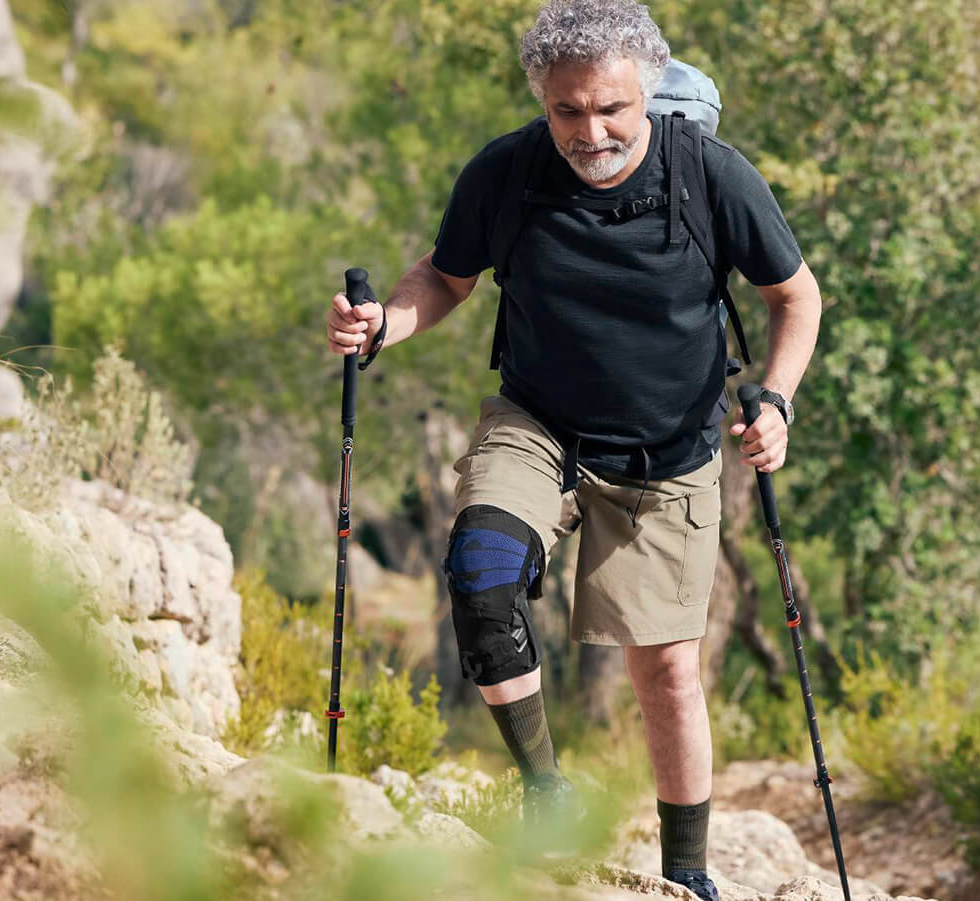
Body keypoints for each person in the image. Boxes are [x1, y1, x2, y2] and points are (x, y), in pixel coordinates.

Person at [323, 1, 821, 897]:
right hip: (538, 422)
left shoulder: (711, 175)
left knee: (665, 670)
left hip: (667, 449)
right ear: (543, 102)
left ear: (649, 94)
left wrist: (776, 399)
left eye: (612, 110)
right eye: (567, 111)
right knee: (481, 574)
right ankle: (545, 790)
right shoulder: (508, 173)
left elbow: (796, 295)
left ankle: (687, 873)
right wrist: (385, 325)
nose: (589, 132)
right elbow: (445, 276)